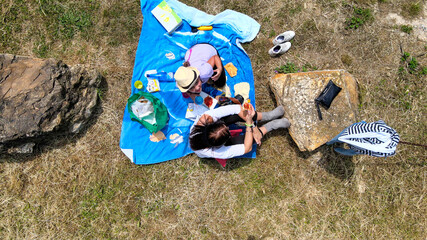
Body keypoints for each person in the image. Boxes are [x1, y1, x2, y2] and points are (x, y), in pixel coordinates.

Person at [189, 104, 290, 159]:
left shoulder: (205, 119)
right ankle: (270, 126)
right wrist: (249, 126)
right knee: (249, 140)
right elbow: (247, 148)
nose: (229, 128)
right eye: (228, 131)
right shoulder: (217, 152)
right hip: (215, 144)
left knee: (241, 113)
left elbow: (237, 108)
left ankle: (267, 116)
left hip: (211, 135)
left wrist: (253, 126)